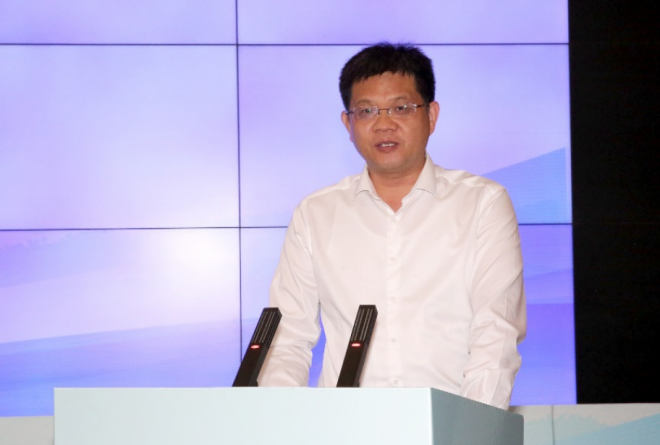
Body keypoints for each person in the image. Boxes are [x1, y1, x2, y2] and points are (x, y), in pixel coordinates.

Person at [259, 43, 526, 410]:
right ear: (348, 124)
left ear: (431, 115)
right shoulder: (316, 214)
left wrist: (471, 428)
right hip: (344, 426)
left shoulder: (482, 203)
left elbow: (496, 332)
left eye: (401, 108)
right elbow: (287, 339)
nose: (384, 124)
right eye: (366, 111)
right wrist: (280, 420)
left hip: (448, 424)